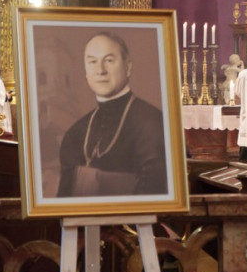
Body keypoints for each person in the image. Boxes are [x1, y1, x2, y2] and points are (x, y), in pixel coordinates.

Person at [57, 32, 168, 197]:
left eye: (109, 60)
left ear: (128, 68)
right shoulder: (75, 133)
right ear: (86, 71)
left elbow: (153, 192)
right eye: (92, 62)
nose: (100, 70)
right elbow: (63, 200)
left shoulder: (151, 123)